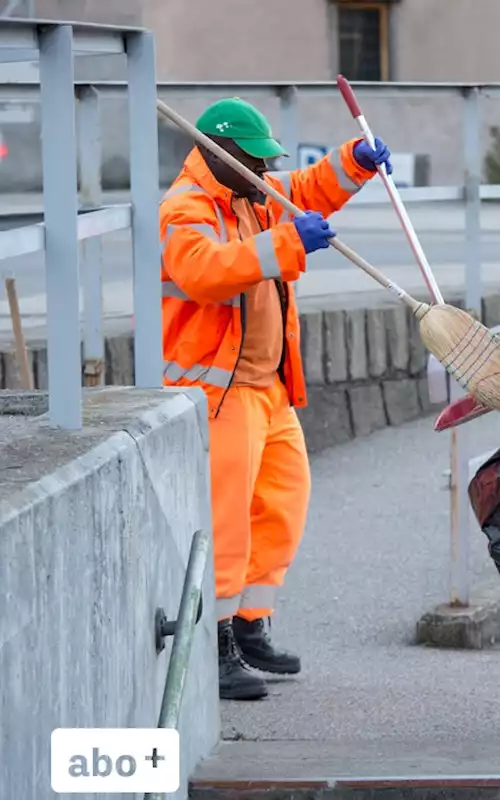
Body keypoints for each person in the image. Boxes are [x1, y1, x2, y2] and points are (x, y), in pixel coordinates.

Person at [158, 97, 393, 701]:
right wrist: (288, 246)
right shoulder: (187, 207)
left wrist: (357, 160)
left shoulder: (252, 192)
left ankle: (250, 623)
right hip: (220, 391)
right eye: (255, 160)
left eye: (267, 162)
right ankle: (215, 647)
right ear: (221, 152)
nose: (266, 171)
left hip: (269, 388)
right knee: (226, 522)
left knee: (283, 504)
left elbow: (311, 185)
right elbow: (204, 271)